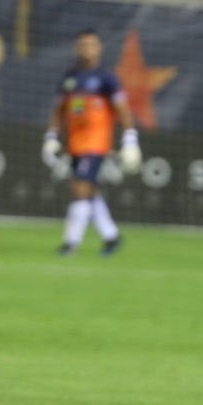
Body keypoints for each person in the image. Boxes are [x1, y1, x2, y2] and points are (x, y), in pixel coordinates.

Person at [42, 30, 142, 256]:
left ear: (99, 49)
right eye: (83, 44)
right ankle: (112, 237)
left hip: (95, 145)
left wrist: (130, 139)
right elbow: (59, 110)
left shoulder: (107, 78)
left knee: (79, 188)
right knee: (88, 192)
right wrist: (51, 136)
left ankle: (71, 243)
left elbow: (123, 109)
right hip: (75, 144)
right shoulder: (70, 78)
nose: (87, 49)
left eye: (91, 44)